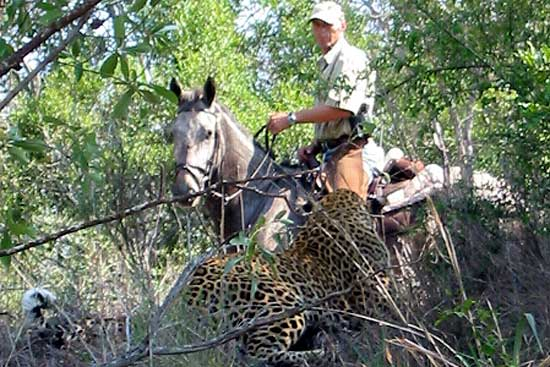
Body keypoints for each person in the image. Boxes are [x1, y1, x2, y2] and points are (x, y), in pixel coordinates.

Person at [267, 1, 376, 200]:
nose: (321, 31)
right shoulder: (326, 64)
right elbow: (331, 118)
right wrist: (315, 146)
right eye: (317, 25)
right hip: (331, 153)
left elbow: (342, 109)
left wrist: (291, 118)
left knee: (345, 216)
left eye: (327, 25)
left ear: (343, 25)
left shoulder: (350, 58)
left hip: (352, 152)